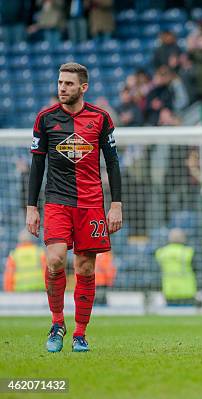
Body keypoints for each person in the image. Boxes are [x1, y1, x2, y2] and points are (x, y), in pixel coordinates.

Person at [26, 62, 122, 353]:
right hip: (56, 201)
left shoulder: (101, 118)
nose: (62, 88)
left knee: (85, 267)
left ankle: (80, 333)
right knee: (54, 260)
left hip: (92, 203)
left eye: (68, 83)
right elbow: (37, 164)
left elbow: (113, 162)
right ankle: (57, 323)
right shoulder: (45, 119)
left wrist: (116, 204)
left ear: (83, 87)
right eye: (59, 83)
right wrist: (32, 207)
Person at [155, 228, 198, 305]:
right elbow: (196, 269)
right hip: (187, 292)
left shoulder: (161, 252)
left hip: (169, 292)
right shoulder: (188, 252)